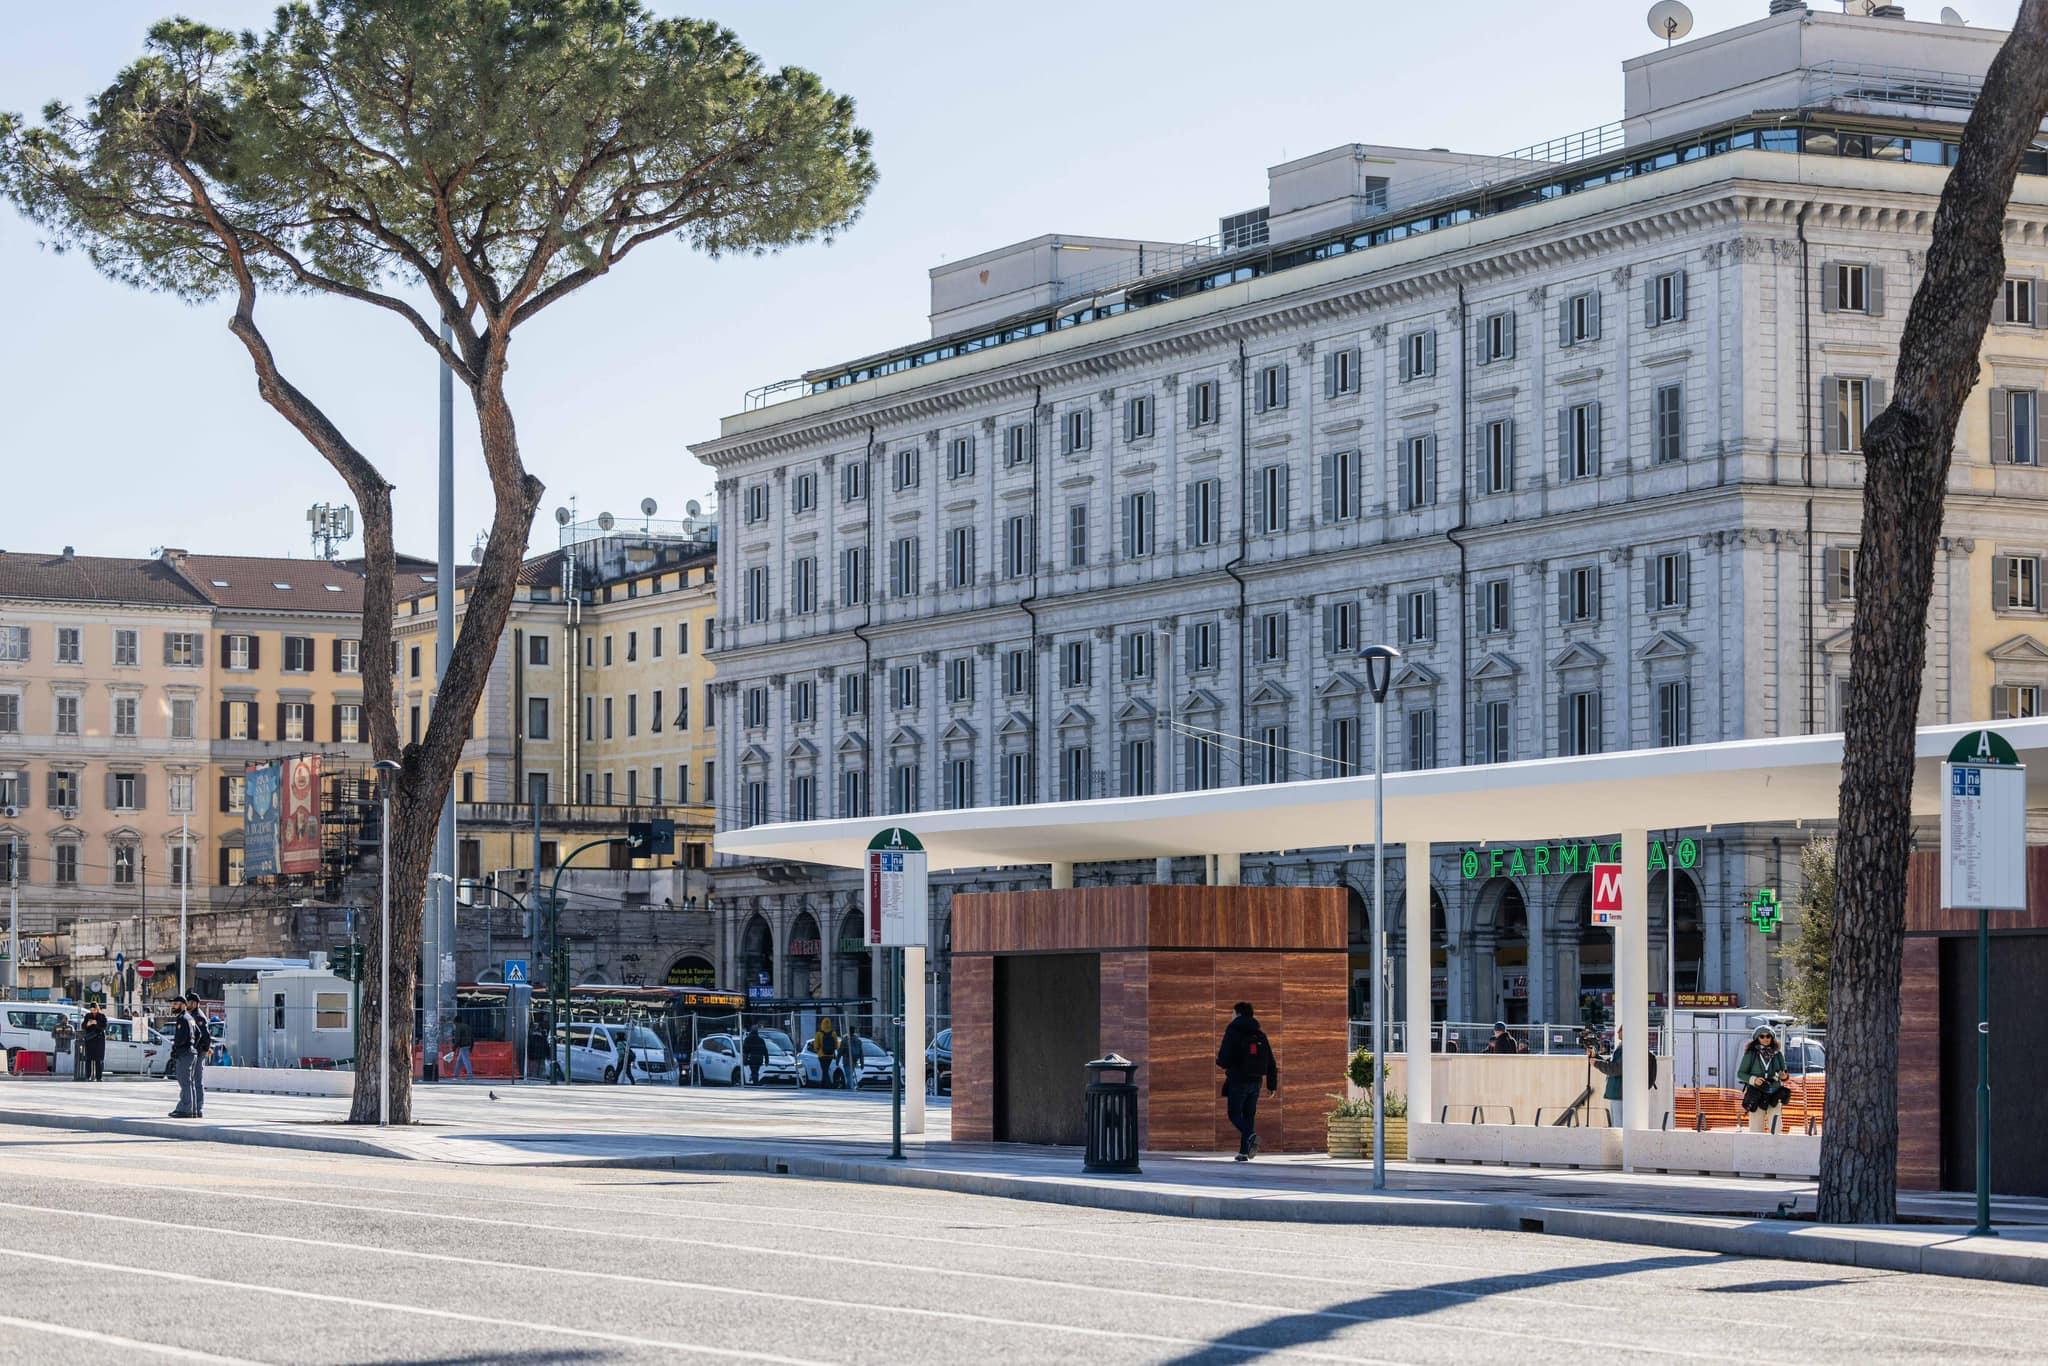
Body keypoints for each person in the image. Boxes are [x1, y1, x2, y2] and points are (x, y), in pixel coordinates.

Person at [1214, 1001, 1279, 1162]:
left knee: (1234, 1113)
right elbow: (1271, 1061)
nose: (1231, 1016)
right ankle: (1243, 1152)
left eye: (1232, 1013)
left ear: (1238, 1013)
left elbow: (1225, 1056)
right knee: (1248, 1115)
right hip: (1256, 1081)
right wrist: (1272, 1085)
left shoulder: (1233, 1030)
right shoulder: (1260, 1034)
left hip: (1238, 1079)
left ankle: (1250, 1136)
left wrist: (1221, 1062)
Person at [1589, 1025, 1656, 1128]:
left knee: (1619, 1127)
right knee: (1617, 1125)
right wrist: (1596, 1058)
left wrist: (1597, 1063)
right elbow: (1612, 1063)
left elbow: (1616, 1069)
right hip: (1618, 1093)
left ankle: (1622, 1144)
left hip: (1621, 1094)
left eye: (1621, 1029)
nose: (1617, 1032)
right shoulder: (1624, 1047)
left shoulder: (1629, 1048)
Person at [1737, 1024, 1792, 1133]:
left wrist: (1784, 1076)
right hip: (1756, 1093)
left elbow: (1784, 1074)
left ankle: (1776, 1148)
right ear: (1757, 1038)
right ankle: (1756, 1149)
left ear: (1772, 1038)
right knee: (1756, 1128)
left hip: (1774, 1093)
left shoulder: (1777, 1054)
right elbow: (1741, 1074)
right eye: (1762, 1036)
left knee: (1776, 1127)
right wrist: (1753, 1079)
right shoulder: (1751, 1054)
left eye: (1768, 1036)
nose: (1765, 1039)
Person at [166, 998, 200, 1119]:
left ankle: (185, 1109)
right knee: (190, 1083)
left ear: (183, 1005)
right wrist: (193, 1046)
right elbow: (198, 1034)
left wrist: (177, 1049)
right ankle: (193, 1109)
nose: (173, 1006)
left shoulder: (182, 1018)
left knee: (185, 1082)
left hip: (184, 1054)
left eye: (176, 1004)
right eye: (173, 1004)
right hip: (191, 1052)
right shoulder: (190, 1018)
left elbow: (181, 1038)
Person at [185, 992, 208, 1117]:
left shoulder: (199, 1017)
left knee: (197, 1080)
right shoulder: (191, 1015)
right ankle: (193, 1106)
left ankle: (198, 1107)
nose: (187, 1004)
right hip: (194, 1052)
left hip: (198, 1053)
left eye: (189, 1002)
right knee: (191, 1080)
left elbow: (205, 1037)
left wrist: (202, 1051)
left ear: (194, 1003)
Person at [79, 1006, 107, 1082]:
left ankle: (99, 1077)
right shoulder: (88, 1015)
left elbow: (104, 1027)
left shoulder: (102, 1016)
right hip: (90, 1040)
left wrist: (96, 1023)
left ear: (97, 1009)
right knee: (88, 1059)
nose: (93, 1011)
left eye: (94, 1009)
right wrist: (88, 1024)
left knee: (99, 1060)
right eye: (91, 1009)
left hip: (99, 1040)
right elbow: (83, 1026)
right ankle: (87, 1076)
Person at [813, 1018, 841, 1088]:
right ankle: (823, 1084)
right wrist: (833, 1049)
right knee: (825, 1069)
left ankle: (828, 1084)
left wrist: (817, 1050)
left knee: (824, 1070)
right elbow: (837, 1045)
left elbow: (816, 1045)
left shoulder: (819, 1033)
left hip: (821, 1054)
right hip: (830, 1054)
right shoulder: (833, 1033)